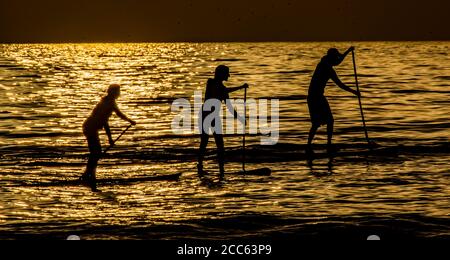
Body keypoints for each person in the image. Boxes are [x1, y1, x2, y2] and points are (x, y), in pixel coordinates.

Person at [307, 47, 360, 154]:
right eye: (335, 57)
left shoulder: (323, 63)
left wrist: (347, 52)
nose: (336, 60)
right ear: (331, 57)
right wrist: (354, 92)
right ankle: (327, 145)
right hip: (316, 97)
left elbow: (338, 61)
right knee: (326, 121)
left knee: (317, 123)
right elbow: (340, 84)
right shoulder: (327, 68)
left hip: (314, 97)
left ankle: (310, 146)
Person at [81, 84, 136, 187]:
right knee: (96, 152)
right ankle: (89, 175)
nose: (119, 94)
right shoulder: (107, 103)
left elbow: (119, 114)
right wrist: (110, 138)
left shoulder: (110, 102)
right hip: (90, 128)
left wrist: (129, 121)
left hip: (90, 128)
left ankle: (88, 174)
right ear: (113, 92)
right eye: (118, 92)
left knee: (96, 153)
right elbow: (104, 122)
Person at [198, 65, 248, 177]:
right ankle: (200, 165)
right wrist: (241, 87)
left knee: (220, 145)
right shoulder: (210, 82)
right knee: (204, 142)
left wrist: (240, 118)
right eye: (227, 74)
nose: (228, 76)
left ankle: (221, 169)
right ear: (221, 74)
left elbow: (230, 107)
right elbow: (222, 90)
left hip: (214, 116)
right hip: (205, 115)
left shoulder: (223, 90)